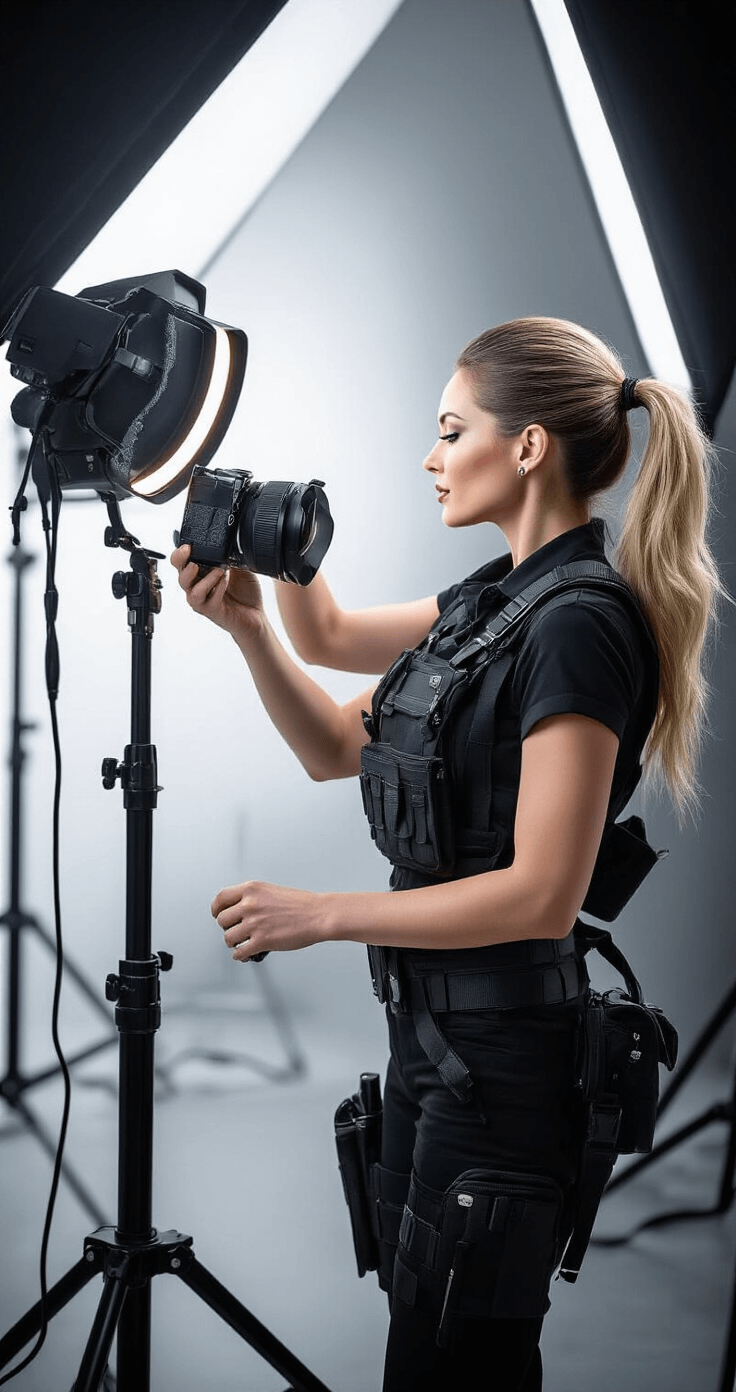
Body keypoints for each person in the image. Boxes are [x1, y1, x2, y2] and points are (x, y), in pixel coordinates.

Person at [171, 317, 721, 1391]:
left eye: (450, 429)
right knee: (423, 1351)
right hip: (435, 1047)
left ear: (525, 449)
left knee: (461, 1365)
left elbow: (541, 897)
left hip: (510, 1065)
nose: (430, 457)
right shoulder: (490, 604)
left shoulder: (576, 625)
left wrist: (322, 913)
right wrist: (255, 613)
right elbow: (334, 724)